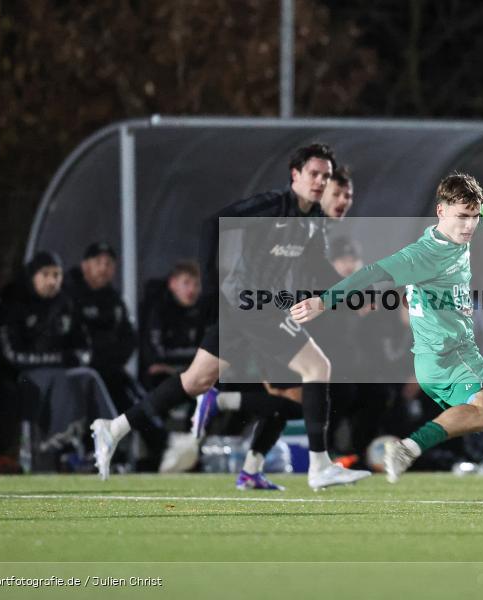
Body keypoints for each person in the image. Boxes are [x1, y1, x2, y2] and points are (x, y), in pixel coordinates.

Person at [291, 173, 483, 510]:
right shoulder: (421, 255)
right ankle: (408, 448)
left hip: (460, 355)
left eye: (472, 216)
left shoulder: (464, 232)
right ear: (441, 212)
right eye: (461, 217)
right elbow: (371, 274)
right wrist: (324, 301)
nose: (469, 225)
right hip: (445, 357)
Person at [91, 145, 371, 490]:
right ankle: (319, 466)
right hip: (251, 306)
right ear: (295, 175)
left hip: (255, 310)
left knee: (195, 381)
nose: (320, 181)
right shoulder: (271, 205)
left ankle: (113, 428)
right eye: (315, 174)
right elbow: (213, 224)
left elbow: (317, 268)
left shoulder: (313, 222)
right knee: (316, 369)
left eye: (325, 176)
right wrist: (210, 290)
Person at [0, 251, 117, 469]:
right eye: (46, 274)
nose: (52, 281)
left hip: (60, 372)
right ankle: (60, 444)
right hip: (22, 376)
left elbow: (84, 347)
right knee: (60, 378)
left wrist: (77, 357)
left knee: (89, 376)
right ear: (32, 276)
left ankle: (106, 439)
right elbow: (11, 355)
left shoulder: (66, 303)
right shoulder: (14, 304)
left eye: (56, 275)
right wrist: (58, 359)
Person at [64, 242, 140, 414]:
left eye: (108, 264)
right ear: (85, 265)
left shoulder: (114, 299)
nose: (103, 268)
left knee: (130, 389)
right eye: (98, 262)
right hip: (79, 369)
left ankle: (162, 438)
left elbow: (129, 337)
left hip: (109, 368)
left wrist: (112, 358)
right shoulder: (69, 295)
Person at [140, 260, 205, 390]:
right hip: (165, 378)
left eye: (196, 284)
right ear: (173, 284)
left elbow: (210, 352)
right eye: (186, 283)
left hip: (193, 373)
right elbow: (156, 354)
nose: (192, 289)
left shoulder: (203, 312)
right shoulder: (158, 311)